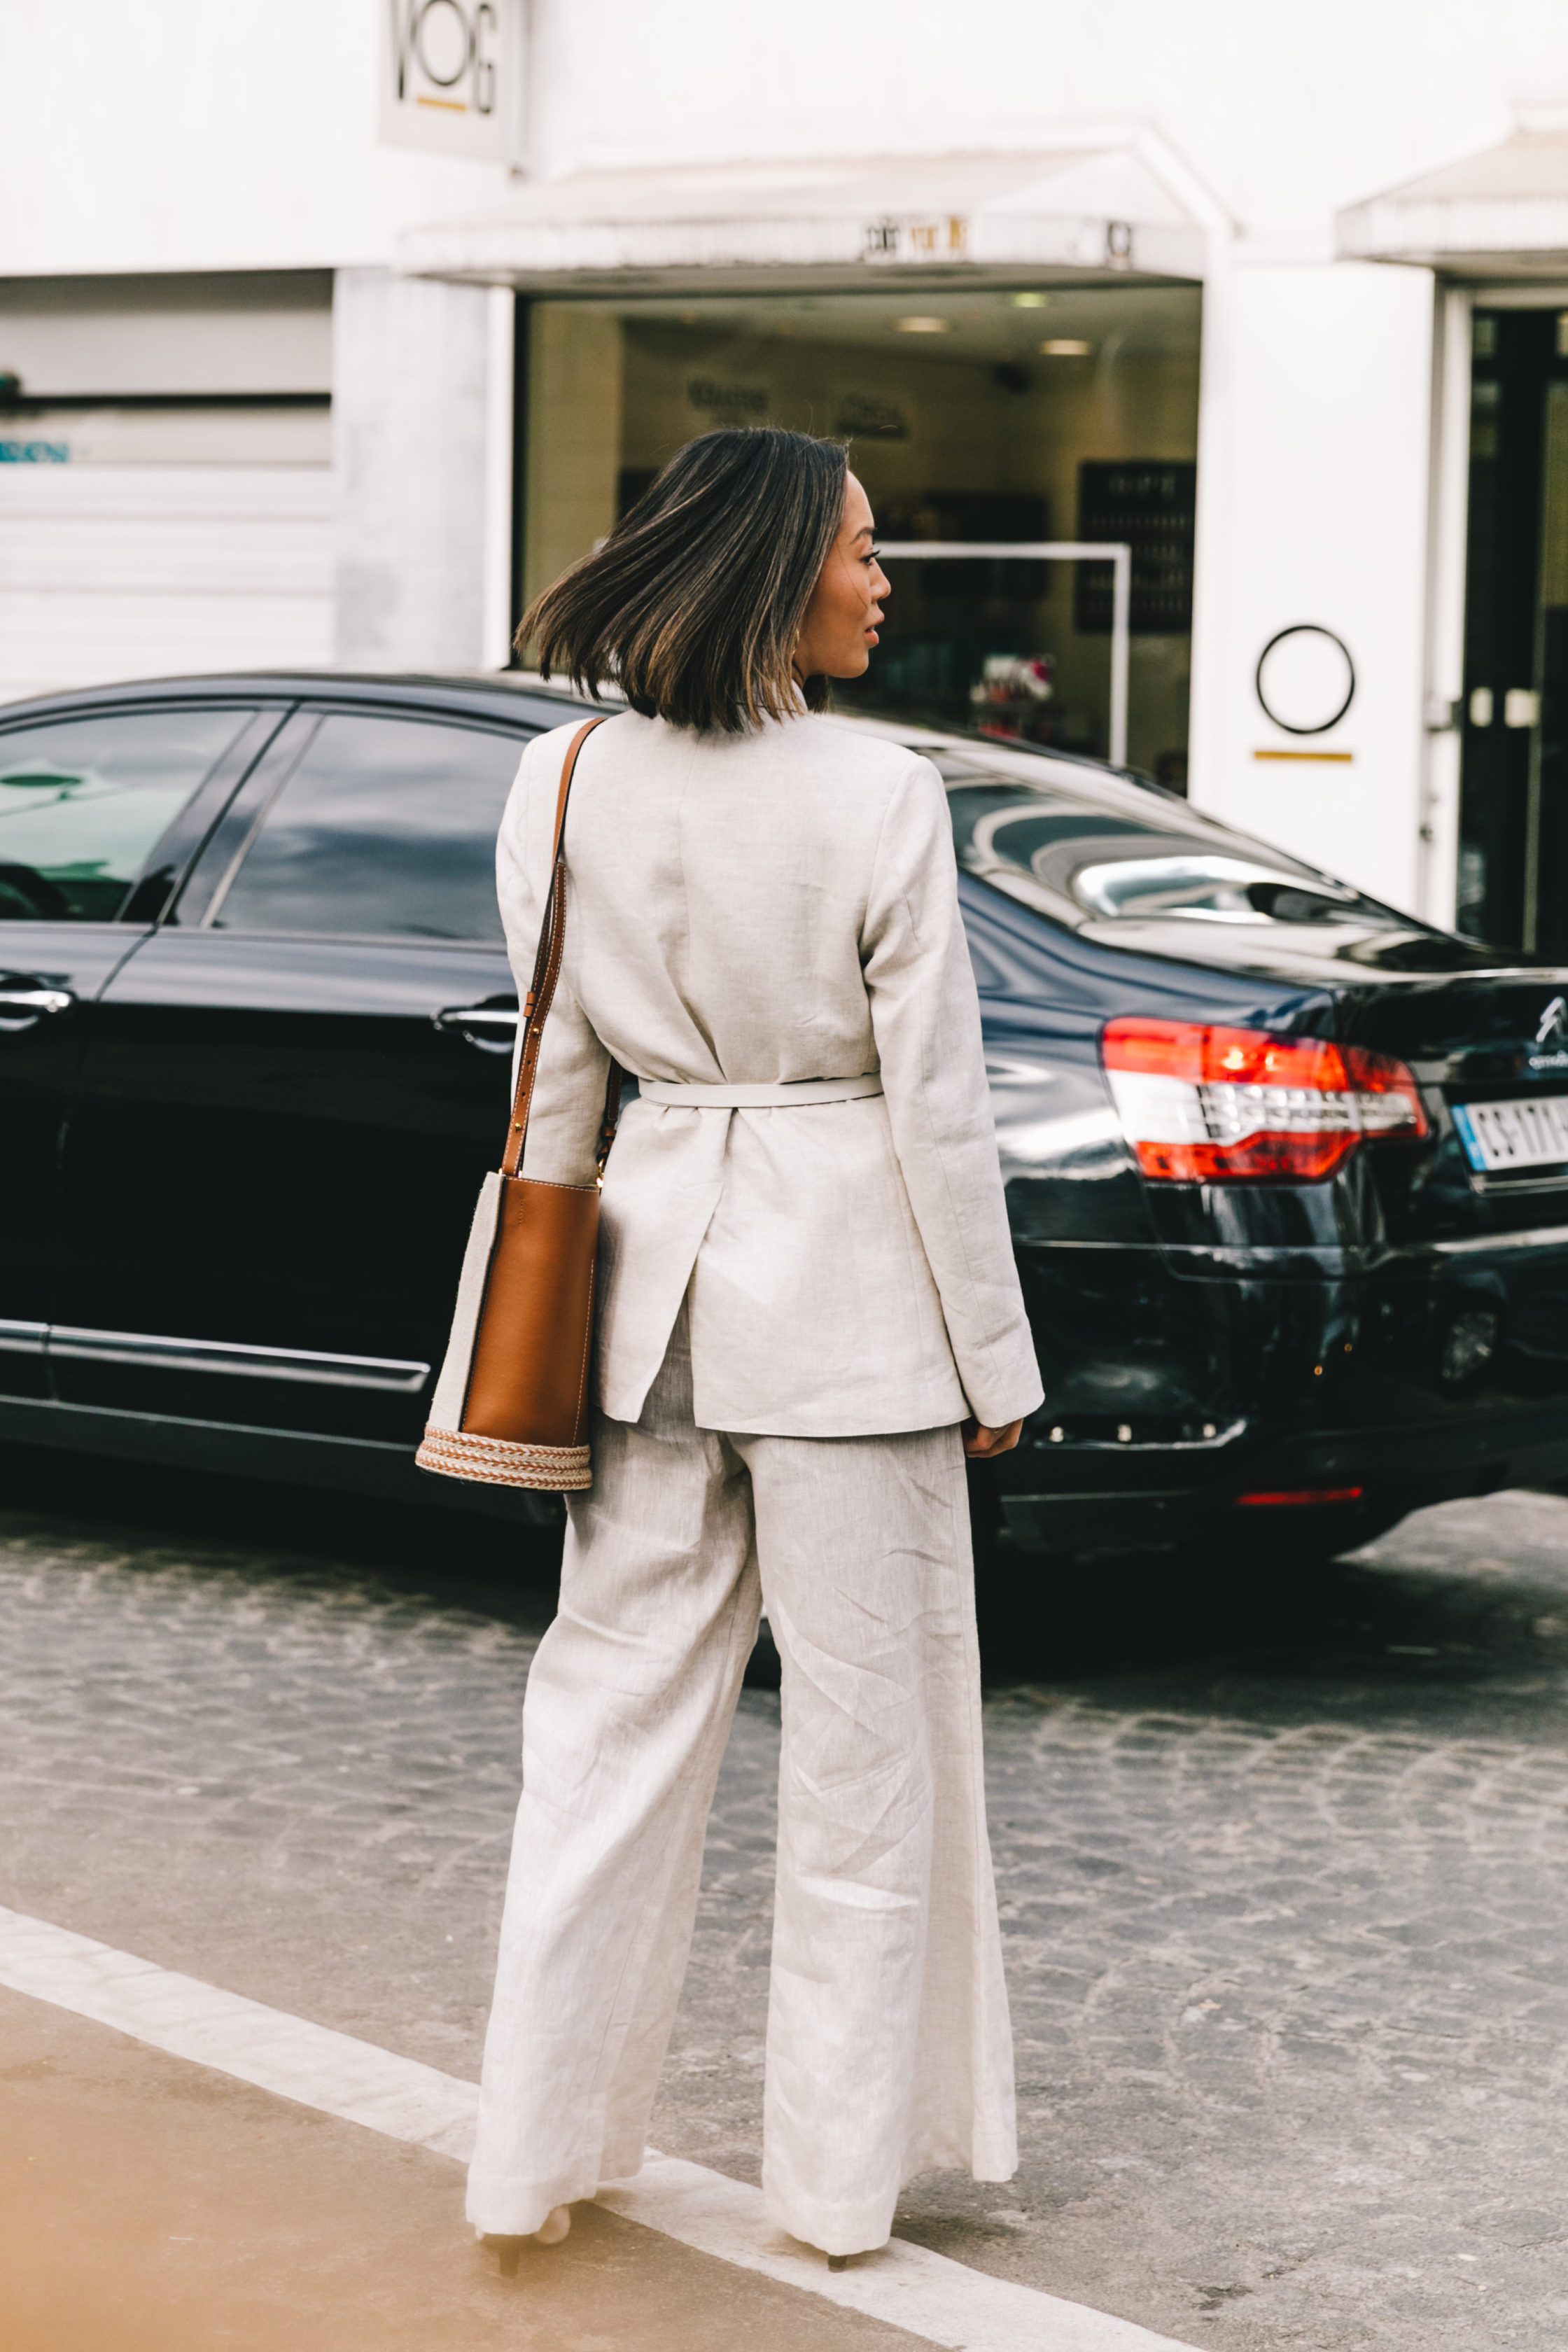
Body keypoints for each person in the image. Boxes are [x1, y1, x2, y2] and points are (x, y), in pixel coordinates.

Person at [465, 426, 1044, 2272]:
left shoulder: (558, 781)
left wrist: (532, 1351)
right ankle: (832, 2188)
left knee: (602, 1734)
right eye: (866, 550)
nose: (888, 581)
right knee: (868, 1760)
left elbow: (550, 1088)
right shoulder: (879, 794)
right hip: (856, 1314)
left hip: (645, 1303)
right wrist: (1001, 1365)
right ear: (780, 568)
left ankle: (530, 2157)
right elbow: (938, 1115)